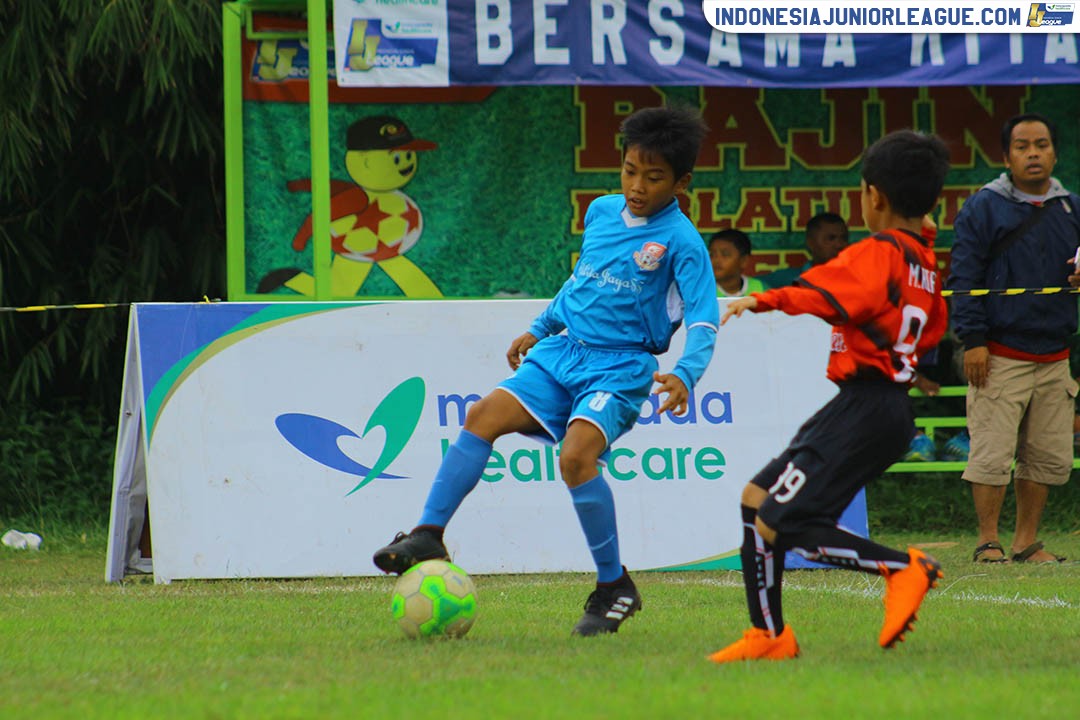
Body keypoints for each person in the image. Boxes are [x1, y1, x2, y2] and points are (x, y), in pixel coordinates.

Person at [372, 105, 719, 636]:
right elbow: (583, 281)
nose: (637, 186)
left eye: (654, 177)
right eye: (630, 171)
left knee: (576, 457)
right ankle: (427, 534)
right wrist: (540, 326)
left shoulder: (682, 242)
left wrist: (686, 373)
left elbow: (704, 320)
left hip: (620, 367)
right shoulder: (603, 213)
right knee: (483, 415)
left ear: (682, 181)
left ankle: (613, 586)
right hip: (564, 352)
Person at [708, 129, 951, 663]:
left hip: (866, 405)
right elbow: (932, 331)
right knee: (757, 498)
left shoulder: (881, 250)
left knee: (783, 520)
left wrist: (765, 300)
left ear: (875, 197)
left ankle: (902, 568)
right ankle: (769, 636)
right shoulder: (924, 262)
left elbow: (836, 291)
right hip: (876, 405)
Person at [947, 112, 1080, 564]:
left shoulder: (1071, 207)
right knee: (991, 453)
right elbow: (962, 276)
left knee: (1045, 457)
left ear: (1055, 152)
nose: (1033, 153)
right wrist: (974, 340)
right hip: (999, 352)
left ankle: (1026, 542)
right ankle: (989, 541)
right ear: (1006, 157)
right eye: (1022, 146)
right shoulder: (984, 206)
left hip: (1056, 353)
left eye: (1041, 144)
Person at [759, 211, 849, 288]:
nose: (839, 245)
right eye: (831, 238)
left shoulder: (856, 280)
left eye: (844, 238)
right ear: (810, 242)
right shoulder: (786, 280)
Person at [708, 229, 767, 297]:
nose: (716, 260)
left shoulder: (760, 288)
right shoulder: (702, 289)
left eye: (725, 254)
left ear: (743, 261)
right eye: (712, 254)